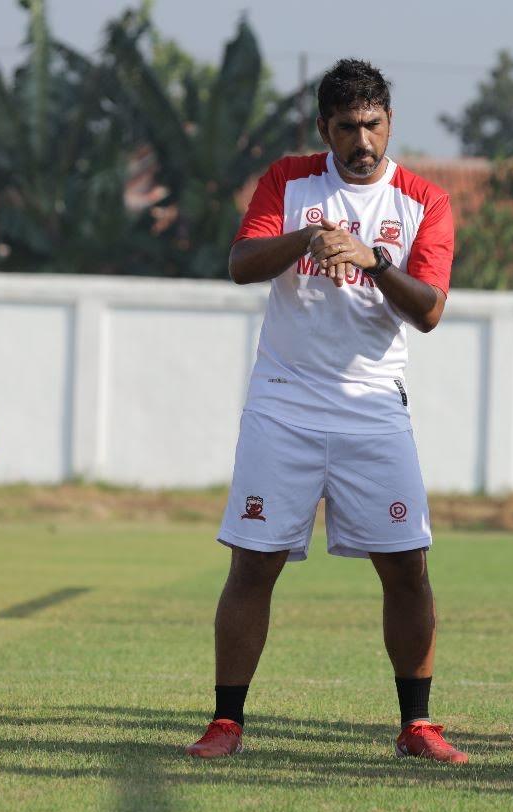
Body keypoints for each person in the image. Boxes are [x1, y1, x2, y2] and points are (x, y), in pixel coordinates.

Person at [183, 59, 464, 763]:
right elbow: (242, 262)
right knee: (255, 562)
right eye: (347, 127)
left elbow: (429, 310)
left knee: (407, 567)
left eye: (373, 125)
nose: (361, 140)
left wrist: (371, 259)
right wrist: (309, 239)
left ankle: (418, 725)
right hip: (284, 404)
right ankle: (227, 721)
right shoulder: (289, 180)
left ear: (390, 123)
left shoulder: (423, 199)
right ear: (324, 128)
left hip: (374, 407)